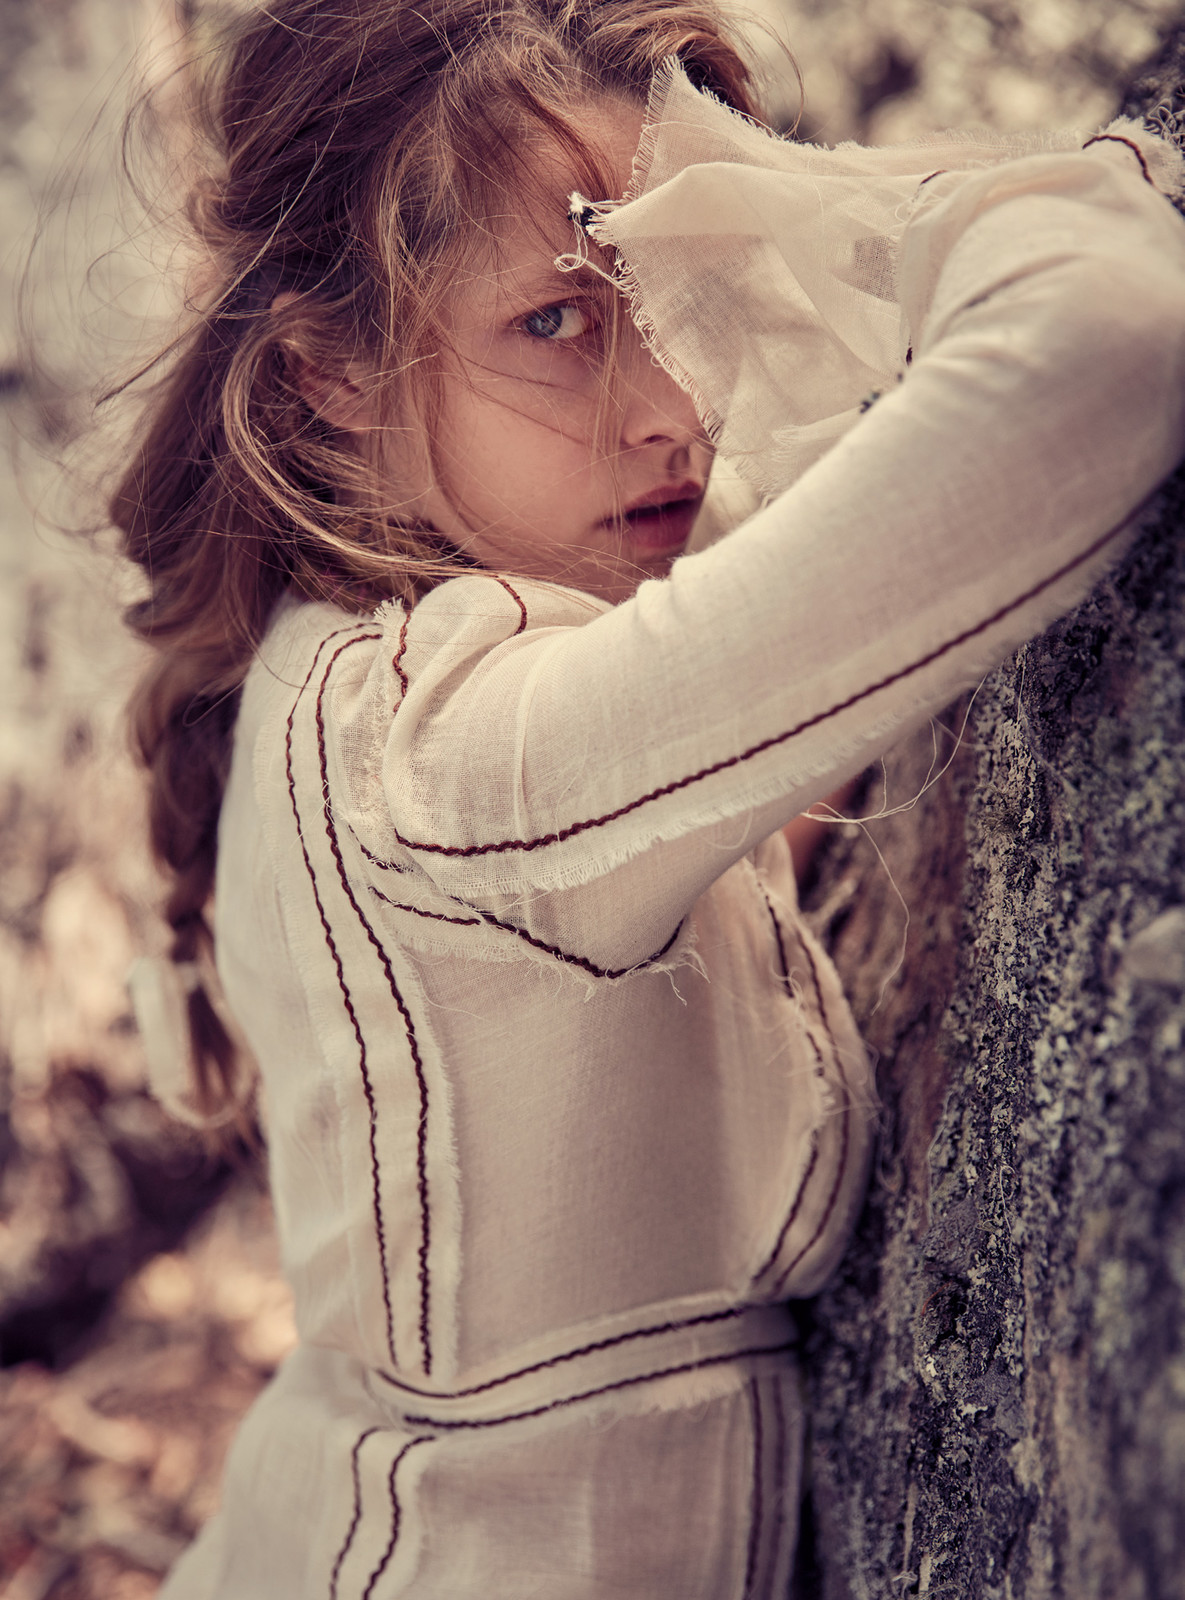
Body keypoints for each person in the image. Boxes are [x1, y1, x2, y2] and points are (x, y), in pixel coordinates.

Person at [114, 0, 1185, 1593]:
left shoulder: (378, 663)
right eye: (557, 317)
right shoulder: (444, 759)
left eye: (685, 282)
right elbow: (1111, 336)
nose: (671, 403)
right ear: (328, 377)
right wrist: (862, 207)